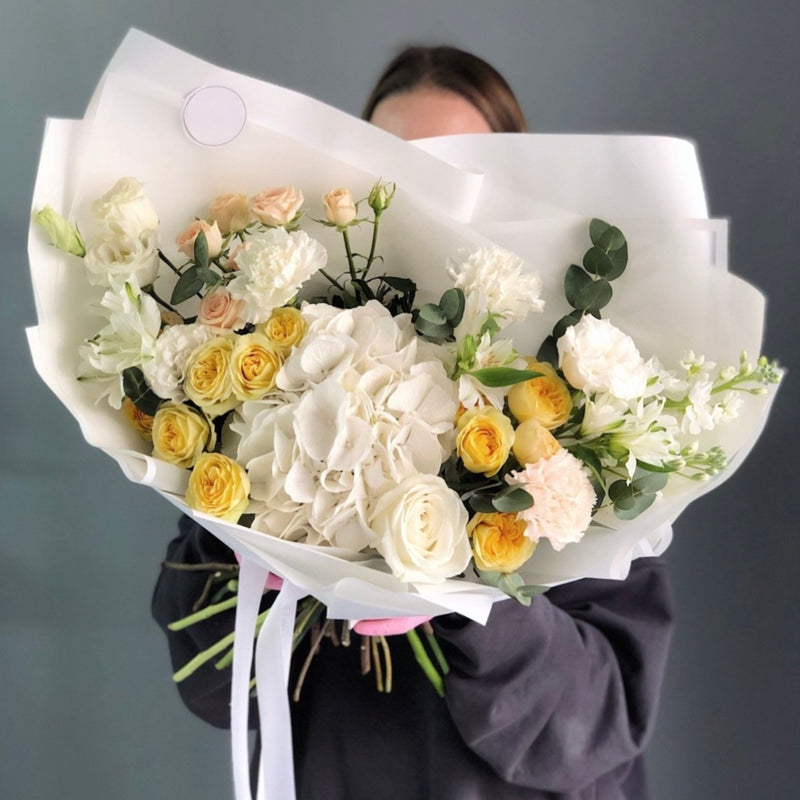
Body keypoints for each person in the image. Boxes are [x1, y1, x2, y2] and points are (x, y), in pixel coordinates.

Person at [152, 44, 674, 800]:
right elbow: (207, 686)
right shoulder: (282, 378)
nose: (425, 205)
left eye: (457, 175)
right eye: (393, 171)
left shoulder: (582, 406)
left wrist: (468, 592)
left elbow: (598, 722)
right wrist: (262, 531)